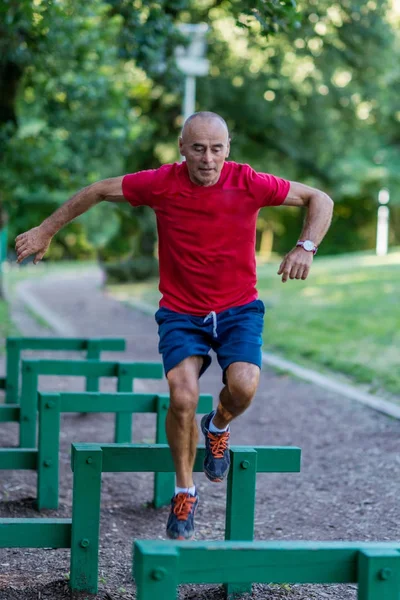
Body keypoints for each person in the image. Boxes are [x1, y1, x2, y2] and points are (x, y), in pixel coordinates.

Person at [15, 111, 333, 540]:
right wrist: (46, 229)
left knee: (243, 387)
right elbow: (98, 190)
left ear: (228, 149)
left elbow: (320, 199)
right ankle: (185, 492)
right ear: (182, 148)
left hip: (239, 309)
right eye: (198, 148)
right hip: (182, 313)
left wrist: (306, 246)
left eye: (216, 149)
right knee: (182, 396)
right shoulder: (161, 182)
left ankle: (217, 425)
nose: (208, 159)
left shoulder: (250, 182)